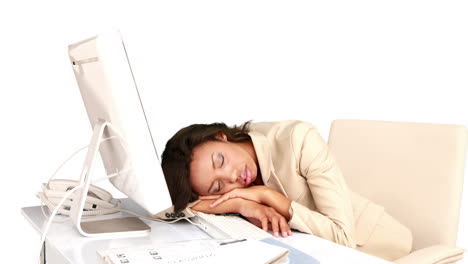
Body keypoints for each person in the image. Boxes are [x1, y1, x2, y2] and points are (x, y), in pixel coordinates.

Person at [160, 120, 413, 261]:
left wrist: (268, 197)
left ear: (221, 137)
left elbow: (342, 239)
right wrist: (241, 204)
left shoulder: (298, 139)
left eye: (221, 161)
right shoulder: (235, 188)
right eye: (217, 187)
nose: (231, 178)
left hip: (376, 247)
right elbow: (169, 209)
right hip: (312, 251)